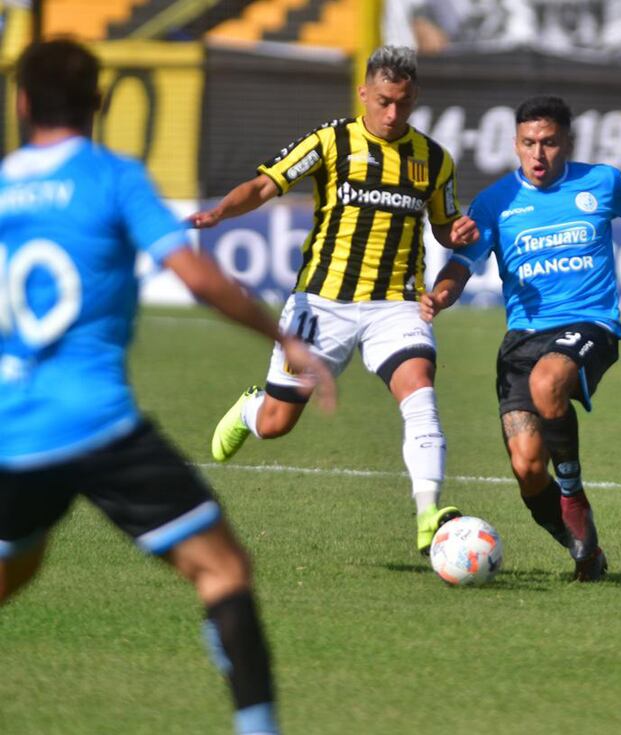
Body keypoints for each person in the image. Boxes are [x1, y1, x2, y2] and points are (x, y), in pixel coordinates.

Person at [0, 40, 336, 735]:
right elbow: (198, 276)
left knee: (17, 567)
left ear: (23, 103)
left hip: (13, 433)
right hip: (100, 426)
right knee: (223, 572)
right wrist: (286, 339)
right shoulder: (111, 178)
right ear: (98, 102)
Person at [421, 95, 621, 581]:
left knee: (551, 383)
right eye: (528, 143)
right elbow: (463, 265)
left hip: (589, 325)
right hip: (521, 341)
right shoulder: (495, 202)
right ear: (514, 143)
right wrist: (439, 297)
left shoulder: (601, 183)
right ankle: (585, 550)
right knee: (528, 469)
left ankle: (572, 493)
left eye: (549, 142)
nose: (538, 153)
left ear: (567, 142)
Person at [189, 46, 479, 554]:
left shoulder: (434, 159)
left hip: (396, 304)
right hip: (321, 304)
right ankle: (250, 410)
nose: (393, 115)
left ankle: (430, 512)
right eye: (385, 101)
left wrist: (458, 232)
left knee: (420, 392)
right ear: (364, 92)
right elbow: (264, 186)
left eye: (404, 105)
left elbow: (443, 225)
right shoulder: (332, 141)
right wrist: (220, 214)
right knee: (277, 424)